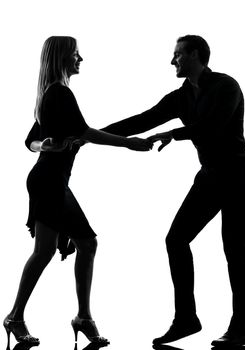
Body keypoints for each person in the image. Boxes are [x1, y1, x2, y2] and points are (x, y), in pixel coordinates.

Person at [101, 35, 245, 347]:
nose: (173, 61)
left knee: (235, 251)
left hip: (237, 176)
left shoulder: (226, 86)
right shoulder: (181, 96)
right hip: (210, 177)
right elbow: (142, 120)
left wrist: (174, 132)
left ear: (195, 55)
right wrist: (90, 135)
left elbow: (214, 126)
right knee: (176, 239)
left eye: (178, 55)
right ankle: (186, 318)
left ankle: (240, 329)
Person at [3, 36, 152, 347]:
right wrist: (129, 143)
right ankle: (71, 317)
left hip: (51, 180)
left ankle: (27, 317)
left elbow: (31, 139)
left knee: (53, 249)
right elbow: (83, 132)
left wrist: (41, 144)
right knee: (85, 243)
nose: (80, 59)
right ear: (62, 58)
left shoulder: (53, 92)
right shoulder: (58, 92)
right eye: (75, 54)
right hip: (49, 181)